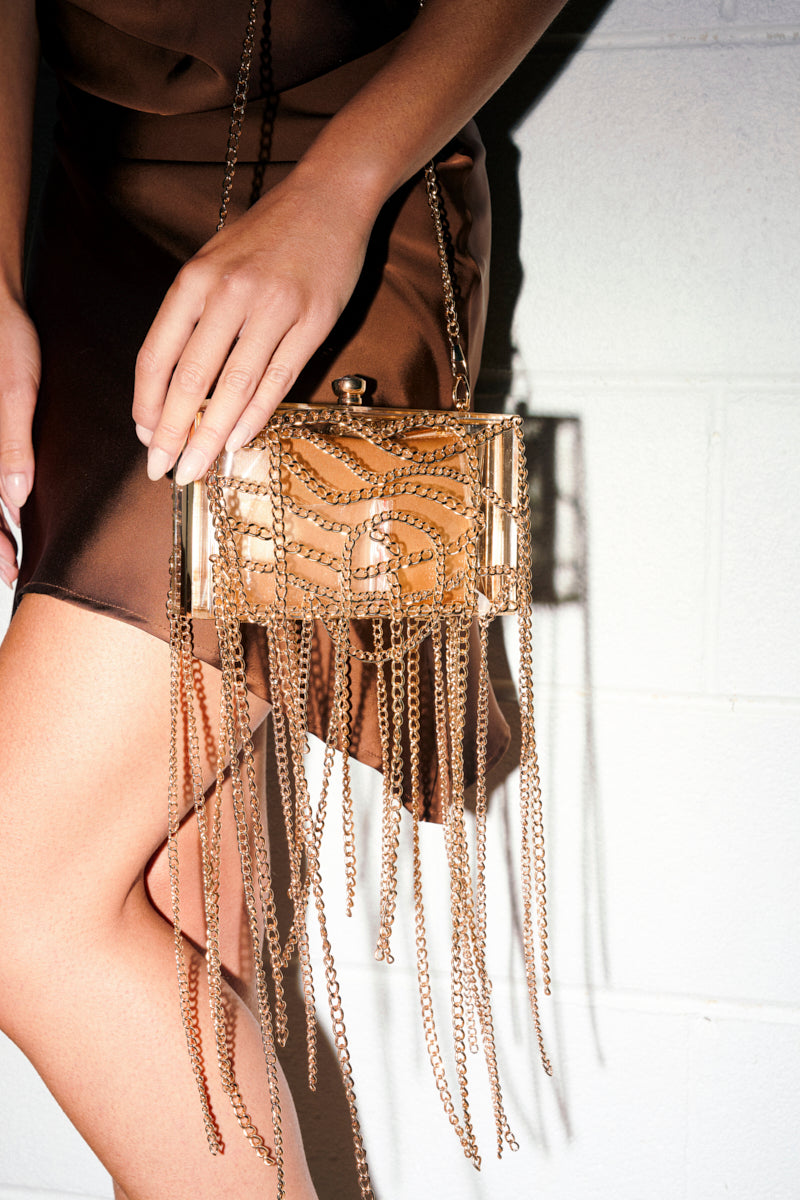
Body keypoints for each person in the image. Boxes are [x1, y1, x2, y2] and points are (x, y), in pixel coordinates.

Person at [0, 2, 567, 1197]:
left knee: (28, 901)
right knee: (187, 931)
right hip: (87, 230)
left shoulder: (347, 201)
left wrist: (340, 186)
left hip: (349, 224)